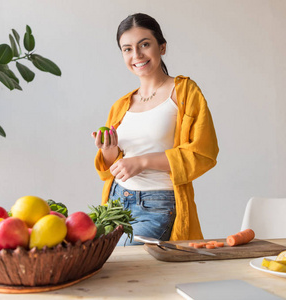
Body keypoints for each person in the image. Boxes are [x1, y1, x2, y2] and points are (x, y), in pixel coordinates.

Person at [92, 13, 218, 245]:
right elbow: (111, 169)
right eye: (127, 49)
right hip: (116, 202)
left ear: (162, 47)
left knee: (130, 265)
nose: (137, 55)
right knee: (109, 269)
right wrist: (108, 150)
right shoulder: (121, 105)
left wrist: (142, 161)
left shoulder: (184, 92)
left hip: (157, 204)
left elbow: (203, 153)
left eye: (144, 45)